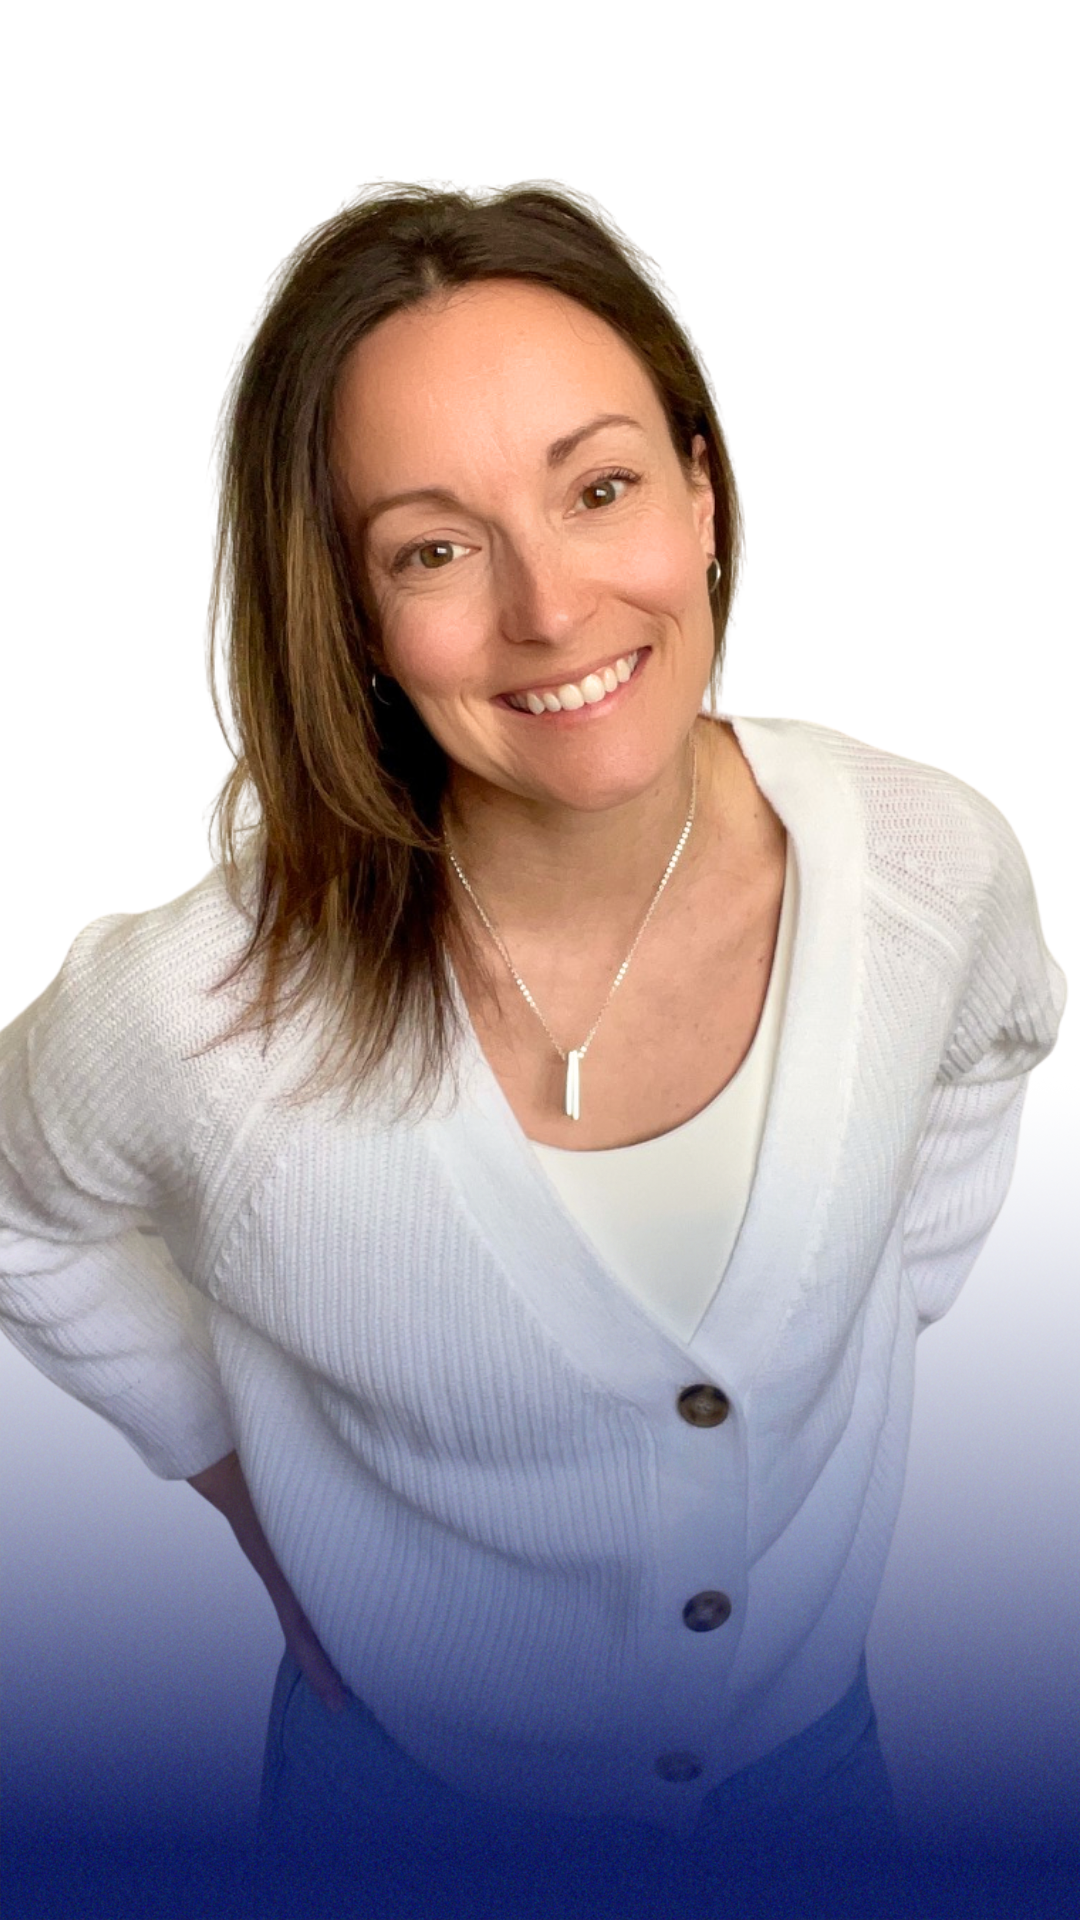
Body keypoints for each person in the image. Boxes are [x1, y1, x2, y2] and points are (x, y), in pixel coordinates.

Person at [0, 183, 1066, 1919]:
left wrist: (879, 1294)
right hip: (400, 1823)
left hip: (822, 1797)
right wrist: (230, 1471)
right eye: (434, 545)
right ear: (346, 609)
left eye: (602, 488)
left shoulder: (928, 861)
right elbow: (17, 1204)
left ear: (701, 493)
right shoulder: (207, 1012)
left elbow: (990, 1044)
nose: (554, 607)